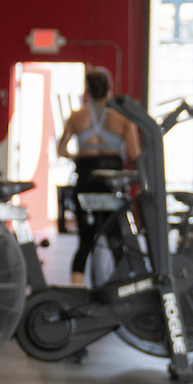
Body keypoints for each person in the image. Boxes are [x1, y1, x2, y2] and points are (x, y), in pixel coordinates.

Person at [55, 69, 140, 285]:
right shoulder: (123, 119)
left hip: (86, 180)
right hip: (110, 183)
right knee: (115, 240)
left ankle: (76, 292)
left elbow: (61, 149)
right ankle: (122, 288)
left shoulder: (76, 117)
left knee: (84, 242)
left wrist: (78, 156)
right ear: (110, 88)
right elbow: (133, 154)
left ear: (88, 90)